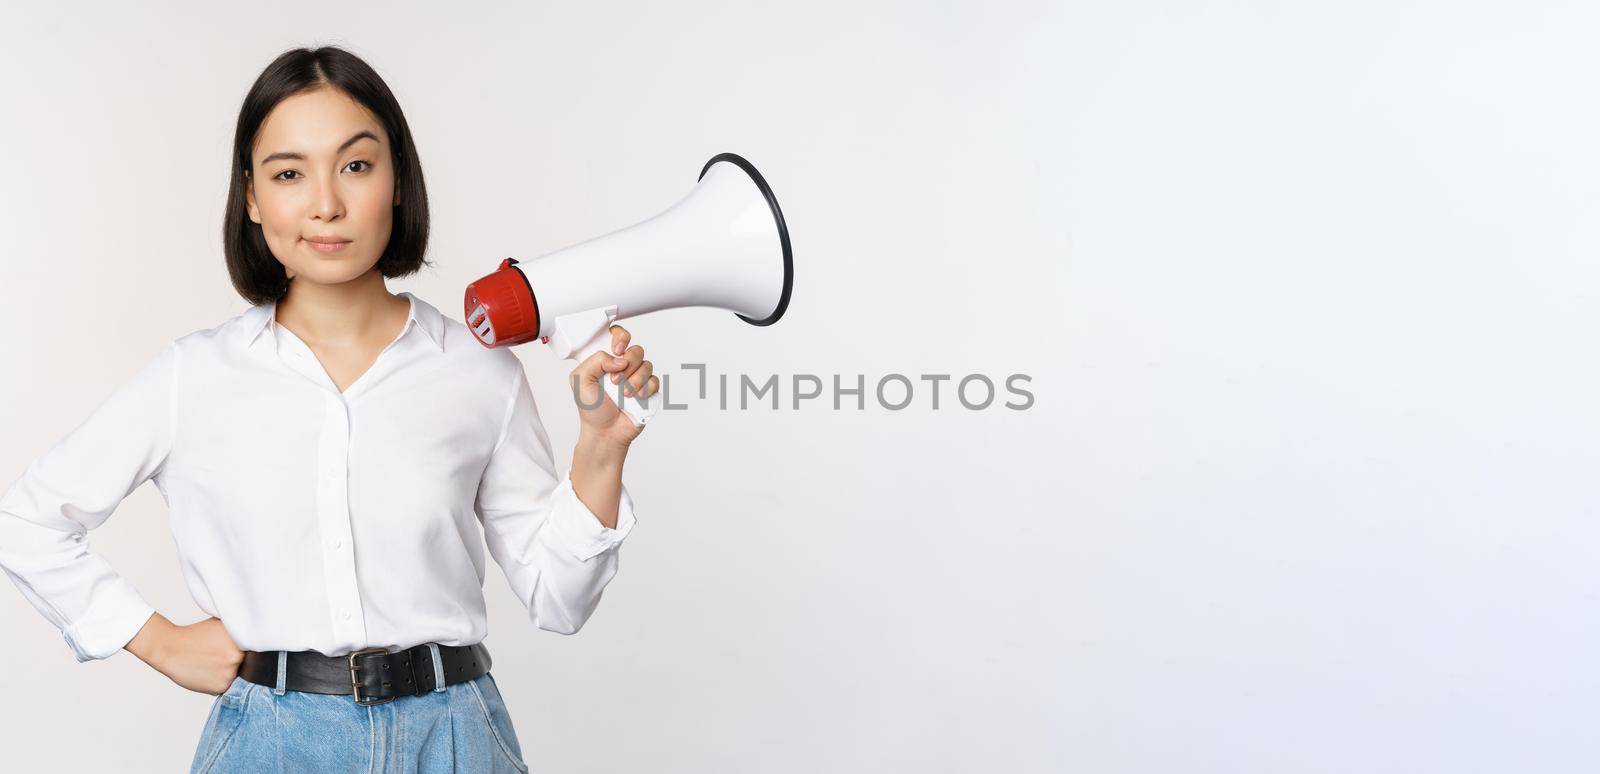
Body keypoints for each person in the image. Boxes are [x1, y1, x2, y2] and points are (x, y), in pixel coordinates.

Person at [0, 45, 659, 773]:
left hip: (456, 739)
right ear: (251, 197)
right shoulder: (195, 377)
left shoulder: (478, 371)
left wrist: (602, 447)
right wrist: (155, 639)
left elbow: (559, 602)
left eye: (355, 165)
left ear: (397, 179)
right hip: (269, 743)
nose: (326, 204)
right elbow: (28, 520)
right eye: (288, 173)